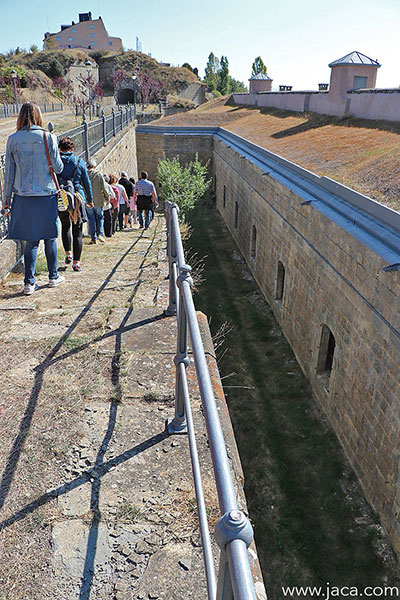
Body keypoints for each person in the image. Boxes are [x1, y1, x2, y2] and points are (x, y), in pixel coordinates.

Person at [3, 102, 65, 295]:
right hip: (46, 195)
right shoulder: (49, 137)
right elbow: (58, 168)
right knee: (50, 237)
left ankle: (29, 283)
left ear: (20, 117)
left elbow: (9, 175)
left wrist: (6, 200)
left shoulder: (13, 139)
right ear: (39, 116)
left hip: (23, 195)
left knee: (30, 241)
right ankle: (53, 277)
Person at [57, 137, 93, 272]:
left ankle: (68, 254)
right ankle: (76, 264)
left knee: (65, 226)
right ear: (72, 148)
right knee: (77, 231)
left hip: (62, 198)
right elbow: (87, 182)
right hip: (77, 198)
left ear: (59, 148)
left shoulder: (56, 161)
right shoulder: (79, 161)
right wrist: (89, 199)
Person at [86, 158, 109, 244]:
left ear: (87, 166)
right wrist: (107, 198)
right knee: (100, 217)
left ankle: (93, 238)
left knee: (91, 219)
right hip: (99, 200)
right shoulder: (99, 175)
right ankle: (100, 234)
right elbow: (104, 187)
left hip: (88, 201)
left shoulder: (84, 175)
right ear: (94, 166)